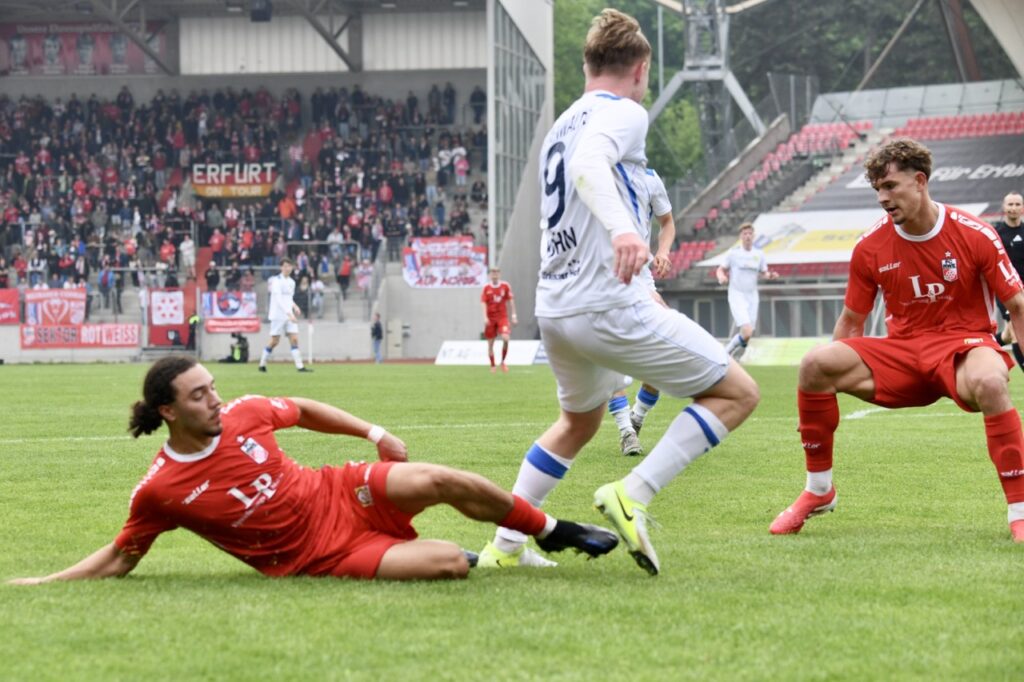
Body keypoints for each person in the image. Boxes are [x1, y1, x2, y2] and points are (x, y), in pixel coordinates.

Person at [478, 9, 759, 575]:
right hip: (605, 302)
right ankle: (633, 491)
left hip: (556, 306)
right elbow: (590, 165)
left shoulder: (562, 122)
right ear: (641, 67)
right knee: (738, 393)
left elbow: (578, 172)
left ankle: (503, 548)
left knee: (577, 423)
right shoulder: (625, 112)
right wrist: (626, 231)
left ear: (586, 64)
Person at [7, 357, 618, 585]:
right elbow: (119, 557)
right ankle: (463, 550)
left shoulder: (245, 413)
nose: (216, 400)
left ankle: (548, 529)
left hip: (342, 492)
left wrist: (374, 434)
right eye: (199, 396)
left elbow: (303, 411)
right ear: (168, 412)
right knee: (451, 565)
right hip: (318, 557)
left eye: (213, 388)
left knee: (439, 480)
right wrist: (40, 584)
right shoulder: (161, 490)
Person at [769, 139, 1024, 542]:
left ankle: (1020, 514)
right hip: (903, 354)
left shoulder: (975, 234)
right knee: (814, 363)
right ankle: (819, 491)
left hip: (963, 348)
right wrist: (822, 386)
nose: (882, 198)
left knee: (991, 381)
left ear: (920, 181)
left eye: (890, 186)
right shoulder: (870, 245)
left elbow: (1017, 304)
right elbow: (852, 321)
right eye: (877, 190)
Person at [607, 167, 676, 456]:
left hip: (642, 276)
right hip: (605, 276)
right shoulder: (599, 172)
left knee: (666, 347)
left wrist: (662, 252)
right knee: (610, 360)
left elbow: (667, 222)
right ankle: (626, 431)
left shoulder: (650, 177)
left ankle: (637, 418)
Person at [716, 222, 779, 360]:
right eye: (745, 234)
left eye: (750, 233)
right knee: (746, 330)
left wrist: (770, 276)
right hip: (737, 294)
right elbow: (721, 269)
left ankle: (736, 358)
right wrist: (721, 277)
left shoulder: (759, 254)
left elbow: (763, 272)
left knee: (748, 334)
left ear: (754, 236)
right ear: (740, 236)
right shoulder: (734, 253)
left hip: (752, 296)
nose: (748, 236)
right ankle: (725, 355)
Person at [259, 258, 311, 373]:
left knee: (294, 339)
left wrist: (295, 307)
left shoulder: (291, 282)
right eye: (285, 266)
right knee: (274, 341)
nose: (287, 268)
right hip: (278, 315)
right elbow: (278, 299)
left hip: (289, 315)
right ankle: (262, 363)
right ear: (281, 267)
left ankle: (300, 367)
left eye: (289, 266)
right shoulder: (276, 281)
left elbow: (288, 299)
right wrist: (288, 313)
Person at [993, 191, 1024, 370]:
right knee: (1015, 329)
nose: (1013, 208)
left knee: (1006, 335)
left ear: (1022, 208)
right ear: (1004, 207)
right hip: (1005, 289)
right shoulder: (996, 233)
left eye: (1017, 204)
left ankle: (985, 345)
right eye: (1010, 204)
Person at [481, 266, 517, 373]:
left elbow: (511, 301)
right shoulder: (486, 288)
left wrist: (514, 315)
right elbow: (483, 303)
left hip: (502, 317)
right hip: (491, 319)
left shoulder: (505, 286)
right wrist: (485, 317)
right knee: (490, 344)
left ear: (500, 274)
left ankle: (503, 362)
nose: (495, 274)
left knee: (506, 338)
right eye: (493, 272)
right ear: (490, 275)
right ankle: (492, 365)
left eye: (496, 272)